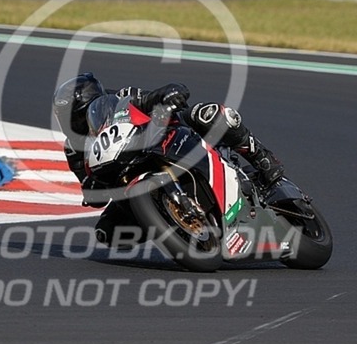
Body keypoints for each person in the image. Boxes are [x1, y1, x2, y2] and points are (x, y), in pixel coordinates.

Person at [52, 72, 284, 246]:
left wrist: (169, 93)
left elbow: (153, 97)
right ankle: (170, 224)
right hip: (127, 175)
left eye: (77, 116)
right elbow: (89, 186)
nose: (73, 124)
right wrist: (93, 189)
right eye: (66, 118)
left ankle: (262, 158)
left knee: (208, 114)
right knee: (107, 232)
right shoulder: (74, 149)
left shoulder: (121, 98)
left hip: (166, 138)